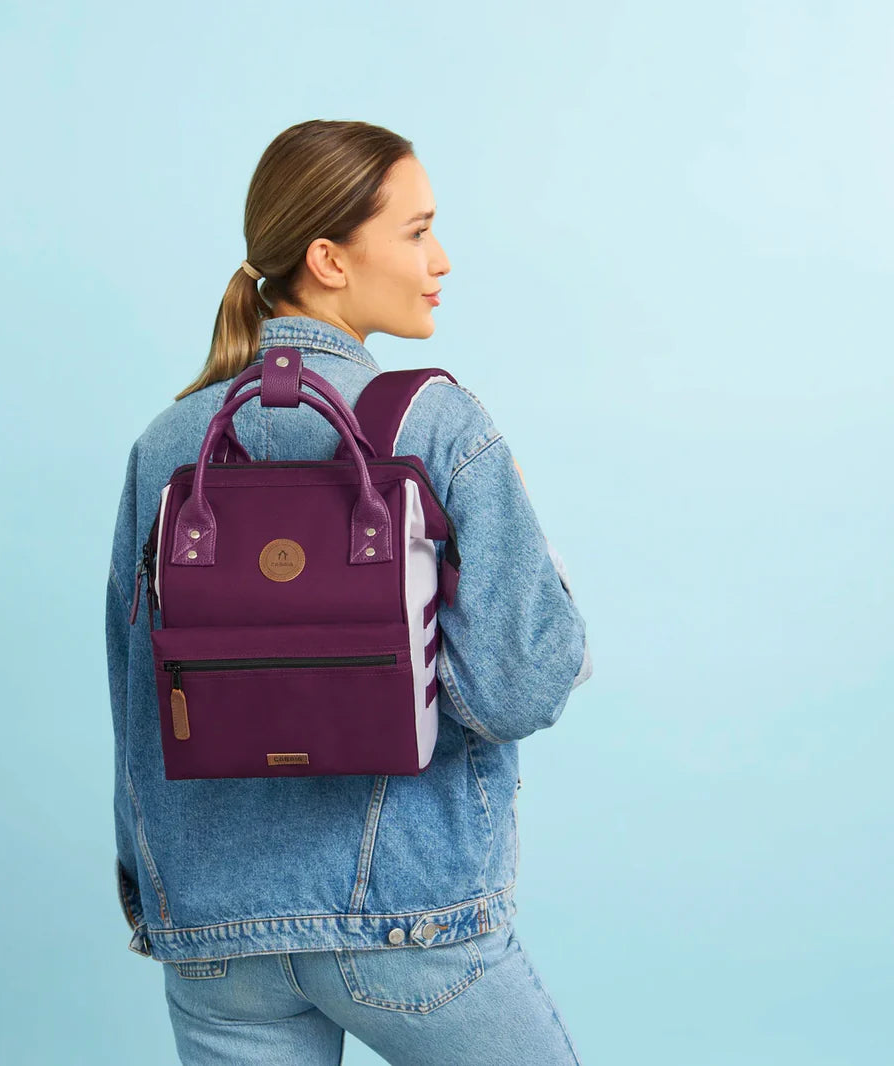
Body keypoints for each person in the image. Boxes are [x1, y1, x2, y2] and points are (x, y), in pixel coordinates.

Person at [105, 119, 593, 1065]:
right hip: (408, 918)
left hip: (214, 931)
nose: (440, 259)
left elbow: (138, 698)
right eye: (417, 231)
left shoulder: (168, 447)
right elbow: (518, 687)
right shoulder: (434, 427)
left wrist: (159, 896)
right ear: (329, 258)